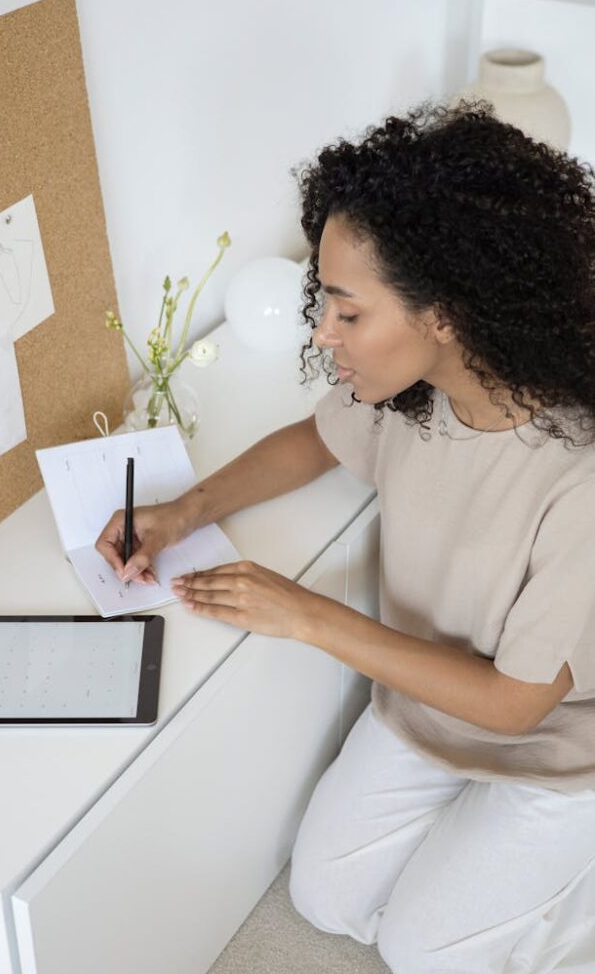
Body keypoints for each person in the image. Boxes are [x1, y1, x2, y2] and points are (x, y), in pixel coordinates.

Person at [96, 99, 595, 974]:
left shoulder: (576, 470)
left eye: (346, 312)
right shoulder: (409, 396)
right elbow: (310, 442)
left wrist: (306, 614)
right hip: (426, 704)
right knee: (321, 899)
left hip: (559, 744)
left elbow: (518, 704)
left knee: (423, 953)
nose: (323, 333)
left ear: (442, 314)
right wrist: (185, 509)